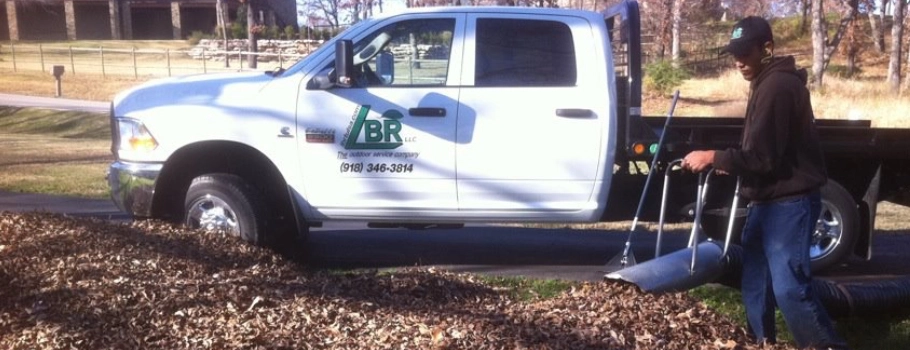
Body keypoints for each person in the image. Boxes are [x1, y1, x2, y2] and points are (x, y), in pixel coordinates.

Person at [680, 16, 848, 349]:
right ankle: (762, 343)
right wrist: (735, 165)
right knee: (756, 285)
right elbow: (765, 154)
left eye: (745, 52)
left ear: (767, 48)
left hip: (789, 204)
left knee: (790, 289)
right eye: (734, 52)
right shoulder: (767, 81)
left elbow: (762, 157)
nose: (738, 60)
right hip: (766, 199)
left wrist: (715, 156)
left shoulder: (778, 86)